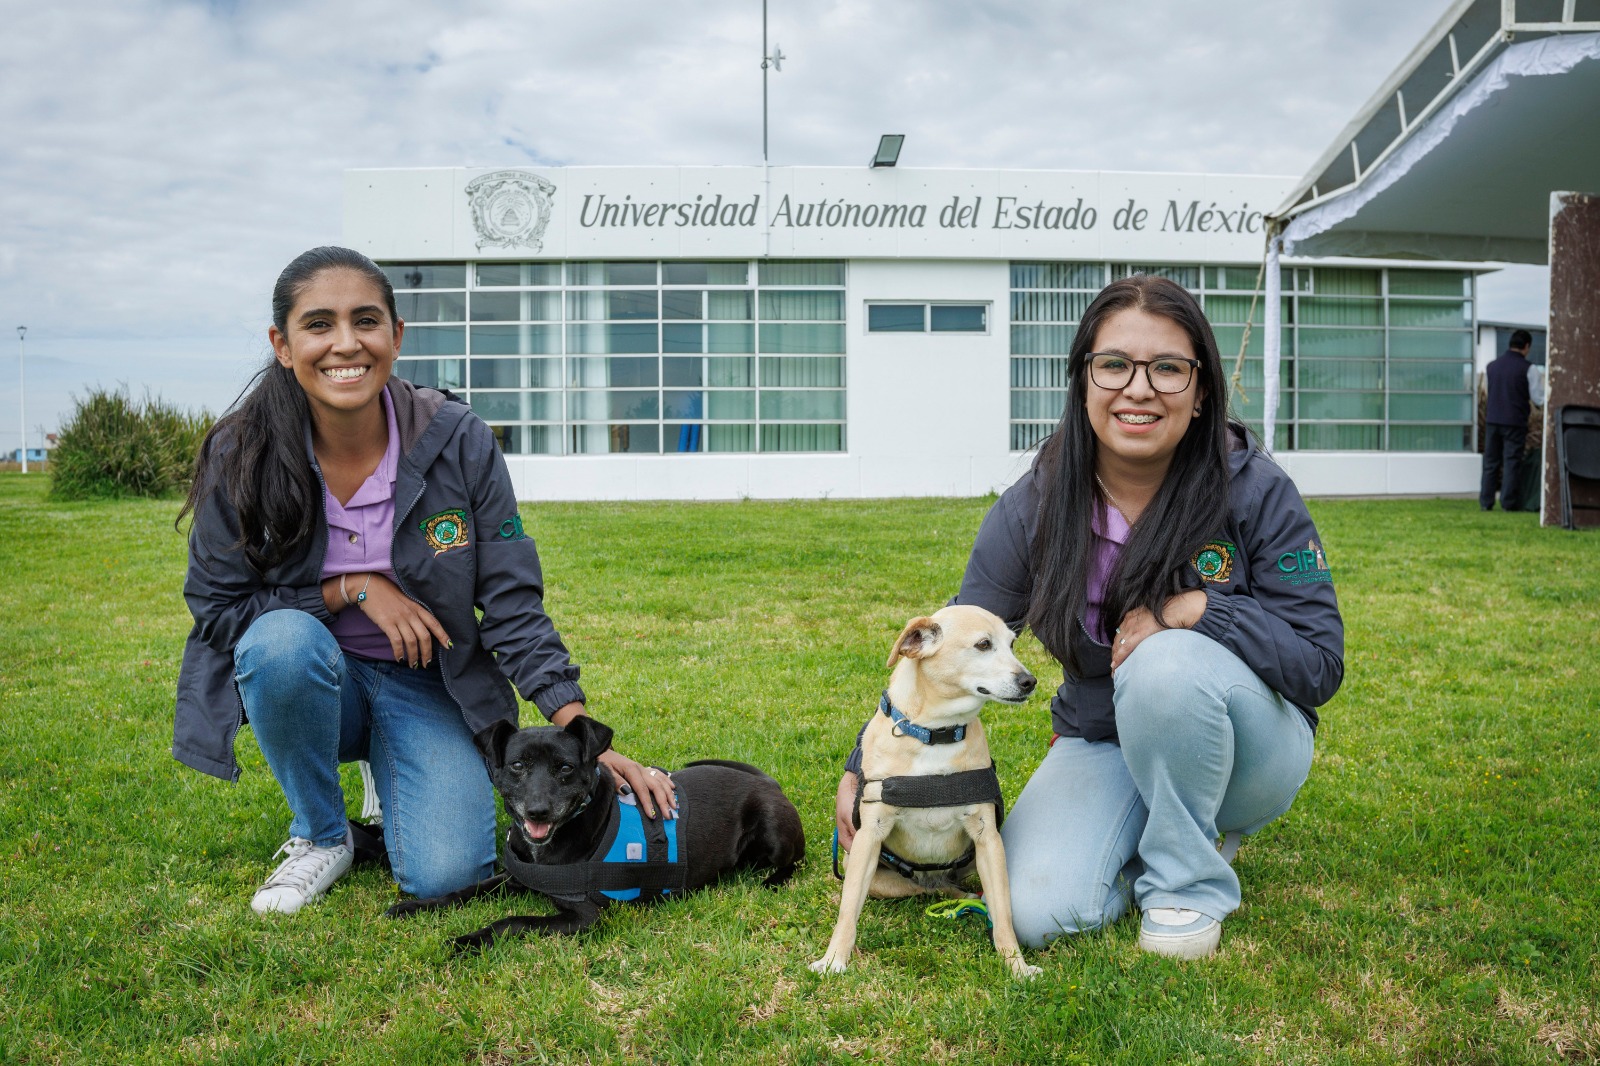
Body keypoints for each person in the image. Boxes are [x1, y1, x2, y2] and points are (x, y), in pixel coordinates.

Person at [834, 275, 1343, 958]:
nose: (1139, 388)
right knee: (1039, 911)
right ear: (1082, 383)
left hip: (1250, 749)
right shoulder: (1037, 503)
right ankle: (1148, 836)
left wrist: (1200, 610)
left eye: (1168, 368)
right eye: (1114, 366)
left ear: (1200, 394)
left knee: (1165, 660)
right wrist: (863, 762)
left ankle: (1186, 886)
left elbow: (1318, 665)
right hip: (1105, 741)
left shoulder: (1253, 486)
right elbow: (960, 641)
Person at [173, 246, 676, 915]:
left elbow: (511, 603)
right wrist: (352, 589)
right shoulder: (242, 452)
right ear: (284, 345)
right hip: (312, 681)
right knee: (282, 645)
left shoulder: (457, 439)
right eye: (319, 325)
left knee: (450, 874)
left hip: (427, 682)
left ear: (396, 336)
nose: (345, 343)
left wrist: (577, 731)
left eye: (366, 321)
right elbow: (216, 608)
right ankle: (322, 834)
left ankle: (395, 769)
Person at [1481, 329, 1534, 512]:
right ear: (1526, 346)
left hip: (1493, 419)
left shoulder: (1491, 366)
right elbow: (1538, 398)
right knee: (1511, 461)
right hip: (1515, 421)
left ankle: (1485, 502)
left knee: (1490, 462)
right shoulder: (1528, 368)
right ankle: (1508, 503)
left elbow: (1490, 392)